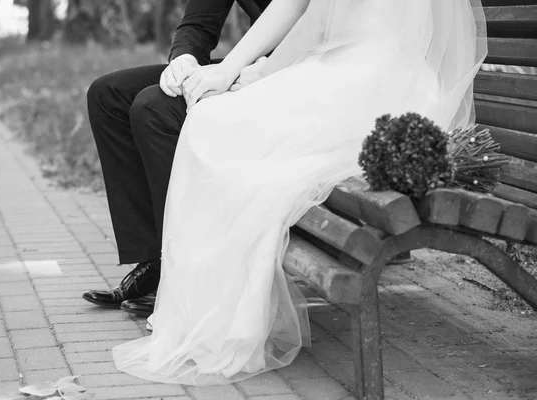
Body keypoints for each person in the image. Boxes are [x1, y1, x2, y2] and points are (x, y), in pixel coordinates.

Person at [111, 0, 487, 386]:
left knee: (214, 124)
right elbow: (309, 12)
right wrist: (254, 71)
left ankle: (220, 307)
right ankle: (209, 300)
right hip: (343, 67)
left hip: (369, 80)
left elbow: (305, 11)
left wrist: (243, 71)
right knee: (212, 120)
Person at [82, 0, 271, 316]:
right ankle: (155, 260)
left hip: (289, 69)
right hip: (248, 63)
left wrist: (253, 68)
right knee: (107, 95)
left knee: (153, 106)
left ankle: (185, 269)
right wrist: (184, 61)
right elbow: (199, 24)